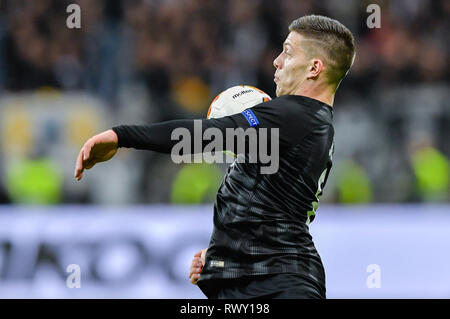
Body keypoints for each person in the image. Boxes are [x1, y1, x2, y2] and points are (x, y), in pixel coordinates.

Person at [74, 14, 355, 299]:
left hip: (281, 285)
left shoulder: (294, 115)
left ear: (314, 68)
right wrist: (224, 259)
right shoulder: (307, 124)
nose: (277, 61)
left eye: (288, 52)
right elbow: (269, 208)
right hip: (270, 280)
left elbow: (200, 135)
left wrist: (121, 136)